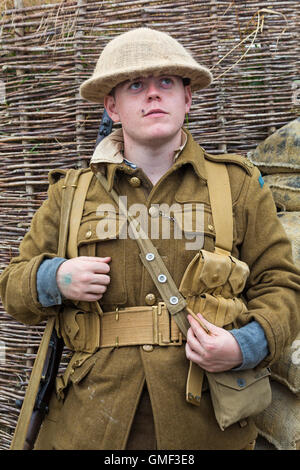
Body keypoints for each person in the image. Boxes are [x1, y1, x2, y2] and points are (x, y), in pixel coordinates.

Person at [1, 27, 300, 451]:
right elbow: (11, 286)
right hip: (91, 422)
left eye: (166, 83)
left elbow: (282, 285)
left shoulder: (237, 186)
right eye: (136, 85)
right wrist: (55, 278)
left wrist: (245, 345)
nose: (153, 95)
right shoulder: (71, 193)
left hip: (207, 423)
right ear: (113, 107)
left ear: (187, 99)